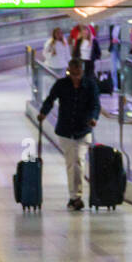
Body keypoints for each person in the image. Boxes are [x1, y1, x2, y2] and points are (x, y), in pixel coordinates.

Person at [37, 58, 101, 211]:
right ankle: (74, 196)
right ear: (69, 71)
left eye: (78, 74)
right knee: (72, 163)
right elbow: (50, 100)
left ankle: (75, 197)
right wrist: (43, 113)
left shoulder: (90, 85)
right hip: (65, 131)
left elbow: (96, 105)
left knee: (78, 162)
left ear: (82, 71)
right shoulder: (61, 84)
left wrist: (93, 118)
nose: (75, 77)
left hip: (83, 130)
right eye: (73, 74)